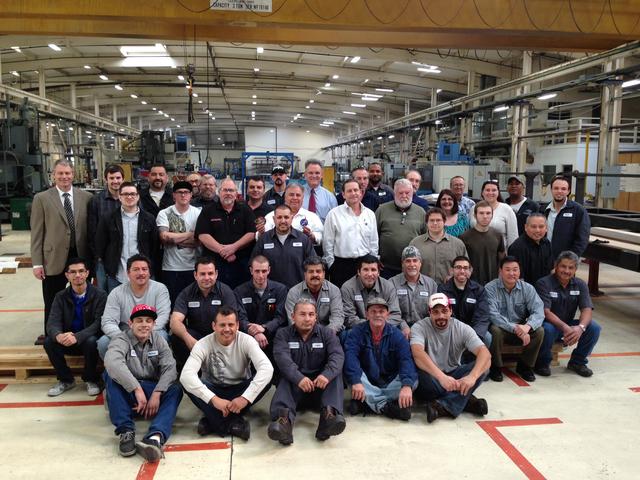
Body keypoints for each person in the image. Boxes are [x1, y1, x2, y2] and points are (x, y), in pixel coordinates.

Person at [180, 306, 274, 440]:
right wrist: (214, 399)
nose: (227, 329)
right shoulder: (202, 344)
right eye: (222, 325)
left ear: (237, 325)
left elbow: (267, 368)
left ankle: (212, 421)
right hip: (213, 390)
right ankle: (233, 423)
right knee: (186, 383)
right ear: (214, 326)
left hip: (240, 390)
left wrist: (245, 398)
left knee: (268, 380)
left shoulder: (247, 341)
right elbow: (186, 376)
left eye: (231, 325)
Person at [104, 304, 183, 462]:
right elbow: (112, 362)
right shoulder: (121, 339)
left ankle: (154, 438)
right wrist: (136, 388)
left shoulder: (159, 340)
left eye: (148, 321)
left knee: (176, 389)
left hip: (150, 391)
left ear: (154, 324)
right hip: (128, 393)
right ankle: (126, 431)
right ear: (130, 323)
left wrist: (157, 393)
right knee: (110, 376)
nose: (144, 324)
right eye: (139, 320)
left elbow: (170, 368)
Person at [31, 159, 93, 344]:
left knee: (83, 298)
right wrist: (37, 263)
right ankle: (51, 337)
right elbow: (37, 232)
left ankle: (81, 334)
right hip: (53, 258)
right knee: (52, 300)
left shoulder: (86, 197)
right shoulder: (42, 198)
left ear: (73, 175)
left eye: (67, 173)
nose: (64, 177)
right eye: (60, 173)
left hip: (81, 255)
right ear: (53, 175)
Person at [267, 300, 346, 445]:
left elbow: (337, 356)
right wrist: (299, 378)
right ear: (293, 316)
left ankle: (329, 417)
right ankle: (283, 422)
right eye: (302, 314)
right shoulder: (282, 334)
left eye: (311, 314)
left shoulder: (327, 333)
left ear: (316, 317)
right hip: (295, 390)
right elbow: (283, 360)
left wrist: (326, 375)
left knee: (335, 374)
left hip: (320, 390)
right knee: (286, 376)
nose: (307, 318)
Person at [410, 293, 490, 423]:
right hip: (432, 376)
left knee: (484, 367)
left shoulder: (462, 328)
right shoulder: (419, 327)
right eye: (435, 312)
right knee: (419, 373)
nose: (441, 316)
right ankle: (464, 400)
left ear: (451, 311)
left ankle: (443, 406)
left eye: (444, 311)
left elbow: (485, 354)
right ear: (429, 313)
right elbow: (417, 353)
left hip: (454, 374)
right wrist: (442, 378)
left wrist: (472, 377)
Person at [344, 297, 417, 420]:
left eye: (381, 311)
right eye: (373, 311)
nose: (377, 315)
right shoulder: (356, 332)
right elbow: (350, 357)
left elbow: (406, 360)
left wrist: (406, 386)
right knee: (350, 374)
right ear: (367, 314)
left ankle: (367, 402)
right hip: (367, 382)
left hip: (389, 382)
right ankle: (385, 407)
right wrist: (356, 381)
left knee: (412, 381)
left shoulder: (397, 335)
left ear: (387, 314)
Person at [44, 258, 107, 397]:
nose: (77, 275)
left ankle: (91, 379)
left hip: (87, 341)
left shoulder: (100, 295)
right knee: (49, 341)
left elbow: (98, 324)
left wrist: (77, 337)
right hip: (67, 340)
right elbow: (52, 322)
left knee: (92, 341)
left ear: (87, 273)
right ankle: (66, 380)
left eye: (81, 271)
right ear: (67, 275)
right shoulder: (60, 296)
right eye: (73, 272)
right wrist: (58, 335)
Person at [170, 257, 245, 370]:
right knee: (177, 337)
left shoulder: (225, 292)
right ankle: (191, 370)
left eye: (210, 273)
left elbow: (231, 321)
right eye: (202, 274)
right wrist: (188, 339)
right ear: (195, 275)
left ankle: (223, 370)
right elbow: (174, 321)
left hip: (219, 335)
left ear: (216, 274)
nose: (206, 278)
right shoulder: (186, 293)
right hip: (196, 337)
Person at [535, 251, 601, 377]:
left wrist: (580, 328)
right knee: (547, 329)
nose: (566, 271)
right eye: (563, 266)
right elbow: (546, 312)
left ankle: (577, 362)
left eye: (571, 268)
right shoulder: (543, 283)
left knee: (594, 327)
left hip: (568, 324)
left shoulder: (580, 284)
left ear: (575, 269)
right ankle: (542, 363)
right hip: (549, 324)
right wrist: (565, 328)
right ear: (556, 266)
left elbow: (587, 309)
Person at [484, 256, 545, 382]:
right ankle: (496, 366)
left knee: (539, 331)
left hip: (522, 328)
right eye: (507, 270)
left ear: (519, 271)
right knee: (494, 330)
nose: (512, 273)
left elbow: (539, 311)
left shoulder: (527, 288)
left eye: (515, 269)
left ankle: (525, 366)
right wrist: (516, 329)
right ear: (500, 271)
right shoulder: (490, 288)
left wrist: (527, 326)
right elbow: (493, 315)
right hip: (502, 328)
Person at [98, 254, 171, 359]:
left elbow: (163, 316)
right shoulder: (116, 292)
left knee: (162, 337)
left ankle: (151, 369)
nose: (141, 273)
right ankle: (119, 368)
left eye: (144, 269)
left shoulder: (160, 289)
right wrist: (124, 338)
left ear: (149, 272)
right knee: (103, 342)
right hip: (125, 332)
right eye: (136, 269)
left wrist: (144, 332)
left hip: (153, 329)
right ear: (128, 273)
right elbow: (108, 321)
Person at [95, 182, 160, 293]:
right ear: (119, 197)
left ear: (138, 197)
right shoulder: (108, 218)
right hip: (117, 275)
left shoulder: (149, 219)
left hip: (142, 275)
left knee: (143, 303)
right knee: (116, 303)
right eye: (125, 194)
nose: (129, 197)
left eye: (132, 194)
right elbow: (100, 245)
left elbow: (154, 247)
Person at [195, 178, 256, 289]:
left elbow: (251, 233)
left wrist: (233, 247)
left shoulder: (245, 210)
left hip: (241, 264)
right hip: (214, 265)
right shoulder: (208, 210)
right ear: (219, 192)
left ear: (236, 193)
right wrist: (222, 251)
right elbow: (202, 235)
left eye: (231, 190)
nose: (228, 193)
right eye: (225, 190)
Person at [323, 179, 379, 288]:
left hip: (364, 264)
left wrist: (373, 263)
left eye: (355, 190)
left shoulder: (370, 214)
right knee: (342, 296)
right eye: (349, 191)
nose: (353, 193)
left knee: (364, 296)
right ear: (343, 194)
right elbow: (327, 243)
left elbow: (374, 242)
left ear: (361, 192)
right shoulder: (333, 214)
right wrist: (331, 265)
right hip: (341, 266)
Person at [156, 181, 201, 305]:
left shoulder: (198, 213)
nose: (183, 195)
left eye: (186, 192)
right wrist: (190, 234)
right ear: (174, 195)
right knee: (173, 303)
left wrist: (175, 238)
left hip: (193, 267)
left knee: (192, 304)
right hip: (171, 268)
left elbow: (199, 241)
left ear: (191, 195)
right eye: (180, 192)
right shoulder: (164, 213)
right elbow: (165, 237)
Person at [233, 255, 288, 356]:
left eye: (264, 271)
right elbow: (240, 318)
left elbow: (281, 317)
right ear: (251, 271)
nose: (261, 275)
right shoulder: (239, 291)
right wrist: (256, 332)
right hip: (248, 338)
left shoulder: (280, 290)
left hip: (273, 338)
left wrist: (265, 327)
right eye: (257, 271)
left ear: (269, 270)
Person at [252, 204, 315, 288]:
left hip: (297, 290)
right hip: (270, 291)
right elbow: (253, 264)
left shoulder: (303, 239)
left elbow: (313, 265)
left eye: (286, 217)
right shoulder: (264, 239)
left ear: (292, 218)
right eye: (279, 217)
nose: (283, 221)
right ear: (274, 219)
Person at [375, 178, 427, 278]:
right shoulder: (382, 210)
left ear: (412, 193)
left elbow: (426, 239)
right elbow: (373, 237)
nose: (404, 196)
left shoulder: (421, 212)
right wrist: (375, 258)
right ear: (394, 193)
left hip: (412, 267)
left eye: (407, 193)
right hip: (386, 267)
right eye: (400, 193)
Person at [438, 256, 492, 347]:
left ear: (470, 271)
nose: (462, 271)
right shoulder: (442, 290)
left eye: (465, 268)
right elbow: (444, 314)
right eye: (458, 267)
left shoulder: (479, 290)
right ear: (452, 270)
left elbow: (482, 315)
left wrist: (473, 335)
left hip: (474, 330)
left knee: (487, 337)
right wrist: (458, 333)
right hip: (451, 330)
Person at [286, 257, 345, 334]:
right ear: (305, 274)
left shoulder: (334, 290)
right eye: (311, 271)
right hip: (302, 334)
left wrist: (325, 335)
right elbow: (293, 320)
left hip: (328, 333)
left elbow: (337, 317)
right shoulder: (294, 292)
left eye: (318, 271)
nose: (315, 274)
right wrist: (309, 336)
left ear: (324, 274)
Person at [409, 208, 468, 285]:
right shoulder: (415, 243)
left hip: (450, 288)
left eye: (438, 220)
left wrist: (455, 276)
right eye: (432, 220)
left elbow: (466, 268)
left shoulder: (458, 244)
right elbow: (407, 268)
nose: (435, 223)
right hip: (422, 288)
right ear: (426, 223)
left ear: (444, 222)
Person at [88, 164, 124, 290]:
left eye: (118, 178)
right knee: (103, 292)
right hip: (103, 257)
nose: (115, 181)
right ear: (106, 179)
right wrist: (98, 256)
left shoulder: (130, 199)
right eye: (111, 178)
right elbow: (92, 231)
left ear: (123, 179)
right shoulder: (96, 201)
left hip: (125, 255)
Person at [341, 255, 402, 329]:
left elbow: (395, 314)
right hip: (358, 330)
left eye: (373, 270)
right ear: (358, 272)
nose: (370, 274)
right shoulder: (347, 288)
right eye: (365, 270)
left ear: (378, 272)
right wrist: (371, 326)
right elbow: (348, 317)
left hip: (384, 329)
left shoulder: (388, 287)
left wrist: (379, 326)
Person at [390, 246, 438, 339]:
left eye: (415, 260)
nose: (412, 264)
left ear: (420, 263)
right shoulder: (392, 283)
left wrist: (420, 329)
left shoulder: (431, 284)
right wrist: (403, 326)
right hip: (398, 331)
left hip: (425, 330)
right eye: (408, 261)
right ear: (402, 264)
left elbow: (434, 311)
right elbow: (391, 311)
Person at [544, 175, 591, 258]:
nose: (559, 191)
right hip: (544, 257)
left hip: (565, 261)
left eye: (563, 189)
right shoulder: (543, 210)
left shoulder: (578, 211)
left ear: (568, 191)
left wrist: (570, 259)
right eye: (556, 188)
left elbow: (582, 239)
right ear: (551, 190)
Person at [460, 201, 505, 285]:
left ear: (492, 215)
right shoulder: (464, 237)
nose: (485, 216)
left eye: (488, 213)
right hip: (471, 283)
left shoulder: (497, 235)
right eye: (481, 213)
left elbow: (502, 257)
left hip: (493, 283)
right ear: (475, 215)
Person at [507, 213, 554, 285]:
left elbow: (551, 269)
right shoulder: (517, 248)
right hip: (526, 289)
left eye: (541, 226)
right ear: (526, 227)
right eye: (533, 227)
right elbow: (518, 279)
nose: (537, 230)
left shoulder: (547, 243)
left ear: (546, 228)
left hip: (545, 288)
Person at [471, 180, 518, 249]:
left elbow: (513, 236)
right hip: (475, 250)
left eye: (494, 190)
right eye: (487, 190)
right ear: (482, 192)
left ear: (498, 192)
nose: (490, 193)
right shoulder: (474, 208)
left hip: (499, 252)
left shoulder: (507, 209)